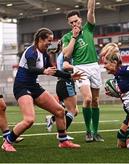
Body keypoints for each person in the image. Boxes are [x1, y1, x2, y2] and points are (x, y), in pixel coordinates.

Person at [1, 28, 84, 152]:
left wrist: (69, 76)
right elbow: (31, 68)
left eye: (51, 41)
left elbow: (53, 70)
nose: (49, 44)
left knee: (60, 111)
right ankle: (7, 142)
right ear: (40, 39)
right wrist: (44, 71)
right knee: (29, 120)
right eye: (48, 41)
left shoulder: (44, 54)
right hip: (22, 87)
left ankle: (63, 141)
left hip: (34, 87)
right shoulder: (31, 52)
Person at [62, 0, 104, 142]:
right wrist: (74, 36)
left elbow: (91, 11)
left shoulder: (88, 28)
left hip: (94, 66)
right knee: (87, 98)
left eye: (76, 21)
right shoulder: (67, 37)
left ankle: (96, 132)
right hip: (80, 68)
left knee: (96, 101)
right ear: (69, 24)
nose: (74, 24)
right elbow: (66, 54)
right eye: (71, 23)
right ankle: (88, 131)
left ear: (80, 20)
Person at [45, 40, 79, 141]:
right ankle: (62, 134)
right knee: (72, 110)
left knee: (75, 111)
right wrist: (79, 69)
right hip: (66, 83)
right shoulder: (65, 54)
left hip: (63, 83)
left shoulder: (62, 54)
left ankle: (52, 118)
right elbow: (66, 67)